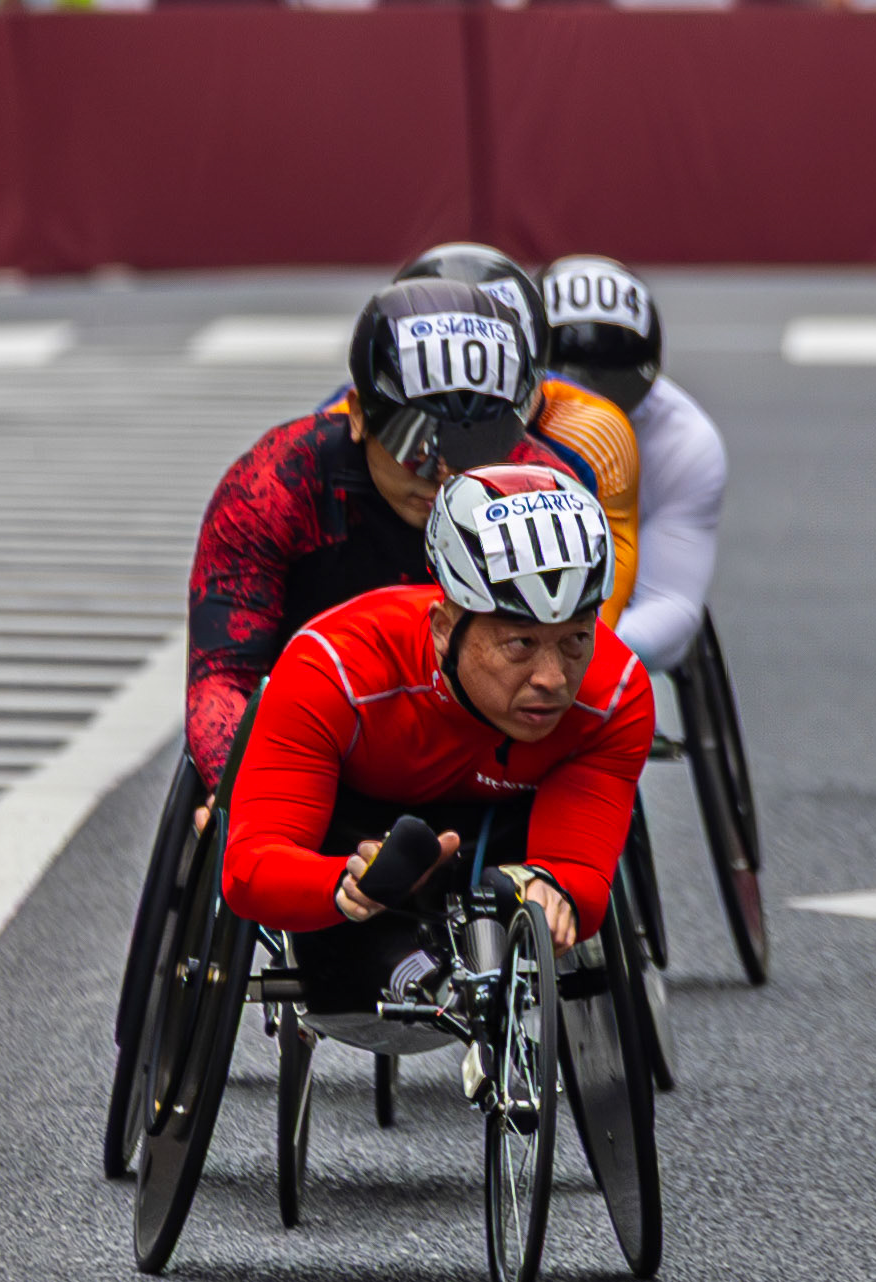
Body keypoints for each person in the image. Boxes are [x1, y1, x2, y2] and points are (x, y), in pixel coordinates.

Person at [222, 466, 655, 969]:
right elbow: (249, 869)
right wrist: (344, 881)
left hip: (514, 826)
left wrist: (559, 893)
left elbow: (578, 868)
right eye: (521, 643)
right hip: (361, 825)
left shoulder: (616, 691)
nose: (554, 679)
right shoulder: (333, 669)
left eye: (576, 639)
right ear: (445, 629)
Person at [186, 276, 571, 794]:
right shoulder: (274, 483)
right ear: (360, 415)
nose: (444, 473)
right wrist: (246, 792)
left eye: (477, 443)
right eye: (415, 440)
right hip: (309, 742)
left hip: (487, 749)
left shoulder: (549, 496)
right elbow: (223, 676)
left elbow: (579, 671)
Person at [392, 244, 642, 635]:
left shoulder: (594, 434)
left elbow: (598, 621)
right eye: (435, 399)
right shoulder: (343, 424)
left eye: (494, 394)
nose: (467, 422)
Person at [541, 254, 728, 674]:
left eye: (616, 391)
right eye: (571, 392)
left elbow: (672, 604)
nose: (598, 414)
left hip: (600, 625)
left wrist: (576, 657)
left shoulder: (685, 442)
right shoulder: (491, 416)